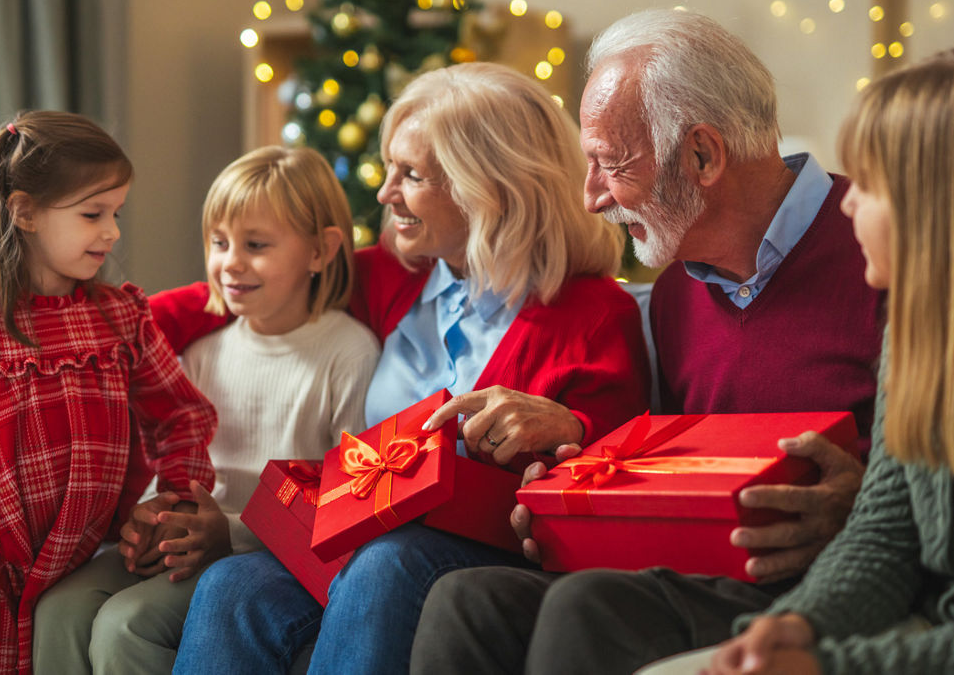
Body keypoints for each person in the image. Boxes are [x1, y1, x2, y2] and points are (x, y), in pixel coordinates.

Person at [411, 9, 883, 675]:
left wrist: (858, 505)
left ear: (702, 154)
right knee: (466, 599)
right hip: (707, 571)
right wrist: (573, 504)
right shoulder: (674, 296)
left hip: (826, 580)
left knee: (588, 607)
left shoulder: (880, 249)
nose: (592, 198)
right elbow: (672, 467)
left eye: (608, 165)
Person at [155, 62, 652, 674]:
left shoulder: (595, 313)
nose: (386, 194)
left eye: (410, 174)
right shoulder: (390, 275)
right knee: (234, 584)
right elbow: (228, 295)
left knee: (389, 561)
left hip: (477, 551)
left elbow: (616, 471)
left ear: (486, 186)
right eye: (391, 169)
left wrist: (568, 426)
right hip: (357, 537)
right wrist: (108, 328)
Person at [703, 46, 954, 675]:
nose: (847, 204)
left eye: (871, 184)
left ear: (946, 205)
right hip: (936, 633)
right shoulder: (913, 336)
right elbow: (884, 537)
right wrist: (797, 623)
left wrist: (831, 666)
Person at [30, 146, 380, 674]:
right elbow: (170, 455)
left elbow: (348, 502)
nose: (230, 262)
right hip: (191, 541)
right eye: (219, 243)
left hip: (263, 555)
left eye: (256, 245)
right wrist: (148, 517)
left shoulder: (349, 353)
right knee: (59, 608)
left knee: (126, 625)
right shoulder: (200, 351)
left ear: (321, 251)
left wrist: (231, 533)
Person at [0, 111, 217, 675]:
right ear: (25, 213)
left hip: (78, 558)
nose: (112, 232)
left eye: (116, 213)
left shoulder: (121, 317)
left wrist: (180, 498)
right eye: (93, 214)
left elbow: (182, 413)